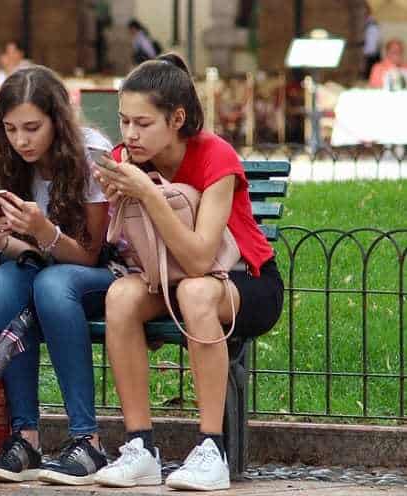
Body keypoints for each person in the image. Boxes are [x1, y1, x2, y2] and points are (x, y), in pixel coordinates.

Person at [92, 53, 284, 491]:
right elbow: (120, 244)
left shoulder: (215, 156)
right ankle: (140, 446)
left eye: (142, 123)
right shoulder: (127, 158)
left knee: (197, 292)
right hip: (170, 277)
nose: (129, 134)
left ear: (177, 118)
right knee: (120, 296)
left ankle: (211, 449)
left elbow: (200, 260)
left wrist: (148, 193)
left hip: (243, 281)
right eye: (124, 122)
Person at [0, 66, 114, 486]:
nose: (21, 140)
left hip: (107, 274)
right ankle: (25, 436)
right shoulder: (10, 159)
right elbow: (30, 253)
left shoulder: (90, 154)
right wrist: (3, 242)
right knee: (4, 282)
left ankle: (88, 440)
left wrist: (42, 231)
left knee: (53, 285)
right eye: (12, 129)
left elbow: (90, 254)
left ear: (57, 119)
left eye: (32, 128)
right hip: (48, 269)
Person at [362, 2, 381, 81]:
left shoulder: (372, 26)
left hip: (371, 59)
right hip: (370, 58)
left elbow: (371, 49)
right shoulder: (368, 23)